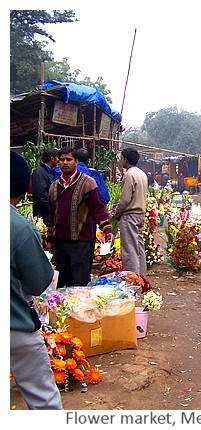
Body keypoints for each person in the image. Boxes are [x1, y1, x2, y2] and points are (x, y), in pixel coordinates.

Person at [10, 150, 64, 410]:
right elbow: (38, 282)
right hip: (14, 328)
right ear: (24, 188)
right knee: (43, 400)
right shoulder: (18, 228)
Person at [46, 147, 114, 288]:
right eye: (62, 159)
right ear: (58, 162)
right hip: (61, 243)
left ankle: (81, 310)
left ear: (76, 162)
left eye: (69, 159)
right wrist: (50, 240)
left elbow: (98, 210)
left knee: (80, 283)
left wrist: (107, 230)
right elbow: (52, 216)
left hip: (82, 242)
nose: (65, 162)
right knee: (63, 283)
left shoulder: (88, 183)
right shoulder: (53, 187)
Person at [112, 148, 148, 276]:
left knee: (129, 248)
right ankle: (141, 276)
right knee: (138, 246)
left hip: (130, 215)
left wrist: (116, 214)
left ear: (126, 159)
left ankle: (132, 278)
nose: (121, 160)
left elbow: (124, 199)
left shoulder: (129, 175)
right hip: (140, 214)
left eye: (122, 158)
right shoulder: (141, 174)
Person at [31, 147, 58, 224]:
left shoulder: (49, 171)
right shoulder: (40, 172)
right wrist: (55, 209)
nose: (59, 161)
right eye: (58, 158)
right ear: (52, 159)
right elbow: (41, 196)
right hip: (44, 217)